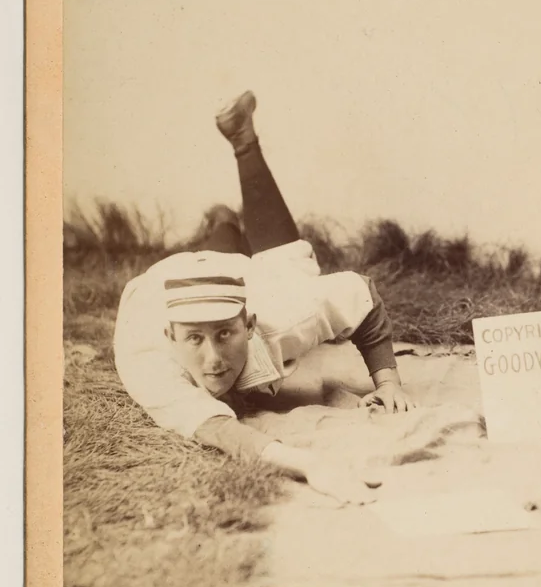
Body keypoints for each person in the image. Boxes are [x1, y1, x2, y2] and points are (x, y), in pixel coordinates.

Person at [113, 90, 414, 505]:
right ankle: (224, 222)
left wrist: (389, 382)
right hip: (159, 288)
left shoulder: (282, 316)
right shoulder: (152, 364)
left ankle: (242, 152)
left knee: (286, 264)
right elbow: (221, 430)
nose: (213, 359)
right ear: (171, 337)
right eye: (194, 340)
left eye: (224, 335)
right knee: (218, 258)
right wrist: (311, 465)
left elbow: (361, 294)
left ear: (249, 325)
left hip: (243, 281)